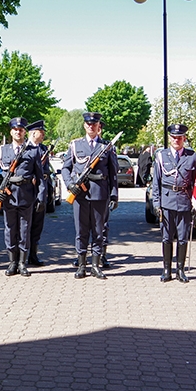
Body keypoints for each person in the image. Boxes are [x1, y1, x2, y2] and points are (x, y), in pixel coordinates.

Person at [62, 112, 119, 280]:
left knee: (99, 231)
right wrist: (70, 184)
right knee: (81, 231)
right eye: (88, 124)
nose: (91, 126)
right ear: (84, 126)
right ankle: (81, 265)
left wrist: (114, 194)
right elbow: (66, 168)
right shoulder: (75, 145)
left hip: (100, 193)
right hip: (80, 194)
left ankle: (95, 265)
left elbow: (113, 173)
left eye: (94, 124)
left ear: (98, 126)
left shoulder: (107, 147)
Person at [0, 117, 46, 277]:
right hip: (8, 197)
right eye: (15, 129)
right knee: (10, 229)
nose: (18, 132)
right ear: (11, 132)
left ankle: (22, 263)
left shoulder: (33, 151)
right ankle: (12, 262)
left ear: (24, 132)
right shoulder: (3, 150)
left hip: (27, 196)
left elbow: (40, 177)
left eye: (21, 130)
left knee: (25, 230)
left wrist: (41, 197)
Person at [151, 124, 196, 283]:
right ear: (169, 138)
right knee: (166, 238)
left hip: (184, 201)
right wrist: (156, 203)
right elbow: (156, 182)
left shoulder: (191, 156)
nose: (176, 140)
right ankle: (166, 270)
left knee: (183, 238)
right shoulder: (161, 156)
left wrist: (195, 203)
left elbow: (195, 183)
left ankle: (180, 270)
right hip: (166, 200)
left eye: (179, 137)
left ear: (184, 138)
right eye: (173, 137)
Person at [27, 120, 51, 266]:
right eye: (41, 133)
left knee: (37, 224)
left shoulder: (43, 149)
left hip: (39, 191)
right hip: (25, 191)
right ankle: (21, 255)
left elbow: (46, 171)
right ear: (33, 133)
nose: (43, 136)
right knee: (23, 225)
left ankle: (33, 254)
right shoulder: (24, 148)